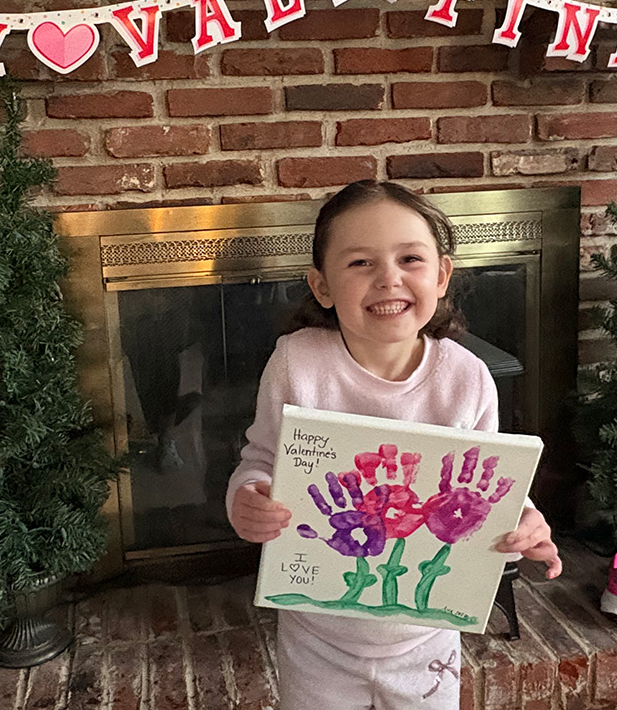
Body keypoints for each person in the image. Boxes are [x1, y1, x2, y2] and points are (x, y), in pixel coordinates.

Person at [226, 180, 562, 710]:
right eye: (360, 263)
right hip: (318, 637)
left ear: (442, 275)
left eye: (410, 258)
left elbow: (490, 481)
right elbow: (263, 458)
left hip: (426, 637)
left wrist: (525, 519)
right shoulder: (296, 363)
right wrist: (249, 497)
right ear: (322, 287)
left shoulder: (468, 377)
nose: (389, 278)